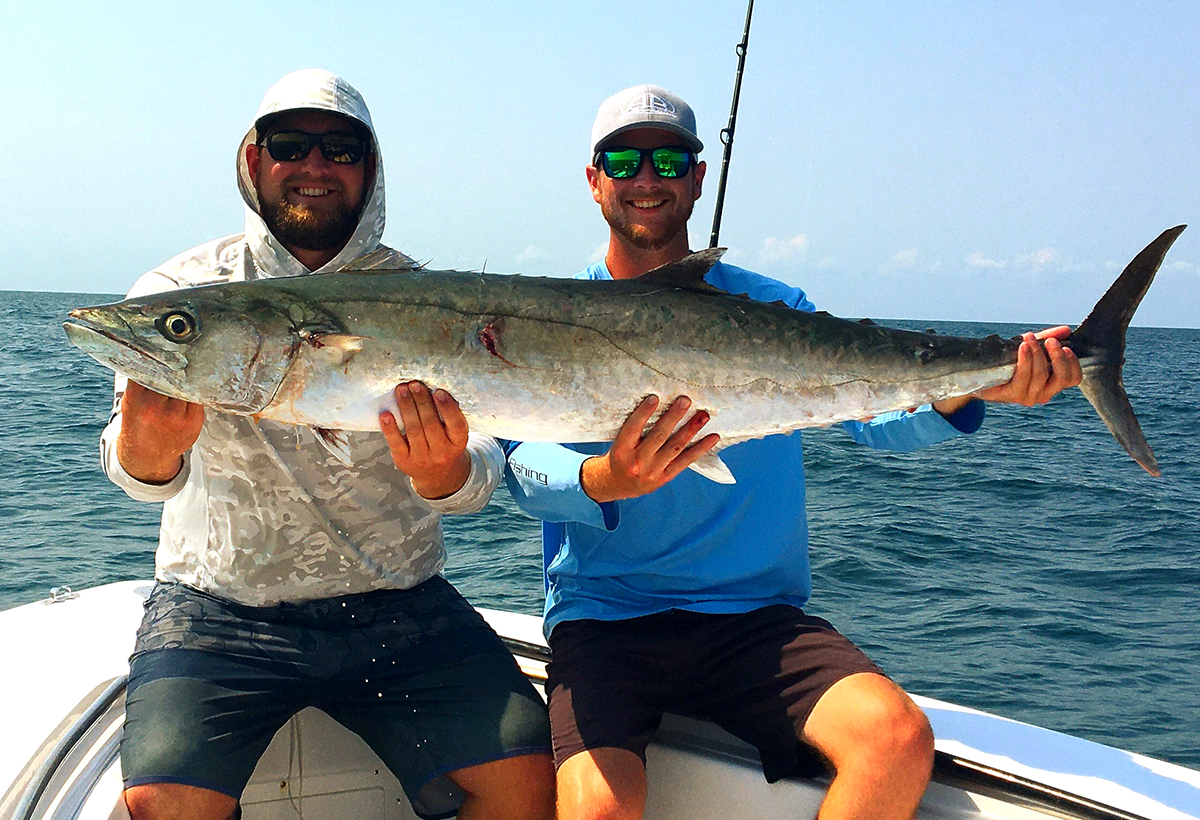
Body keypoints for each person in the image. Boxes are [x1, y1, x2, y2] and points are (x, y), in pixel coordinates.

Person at [502, 84, 1083, 820]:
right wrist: (603, 478)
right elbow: (522, 467)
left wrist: (964, 391)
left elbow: (875, 420)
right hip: (607, 619)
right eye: (624, 160)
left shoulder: (775, 309)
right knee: (595, 811)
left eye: (670, 160)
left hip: (756, 621)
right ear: (594, 180)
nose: (647, 180)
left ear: (698, 177)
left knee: (897, 741)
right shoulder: (545, 316)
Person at [102, 69, 554, 820]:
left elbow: (478, 479)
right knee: (160, 802)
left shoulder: (432, 298)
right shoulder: (179, 297)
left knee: (527, 782)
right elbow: (136, 472)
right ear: (254, 162)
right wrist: (148, 449)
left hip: (400, 603)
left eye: (340, 148)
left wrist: (444, 473)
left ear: (370, 172)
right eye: (290, 145)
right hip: (219, 607)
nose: (314, 166)